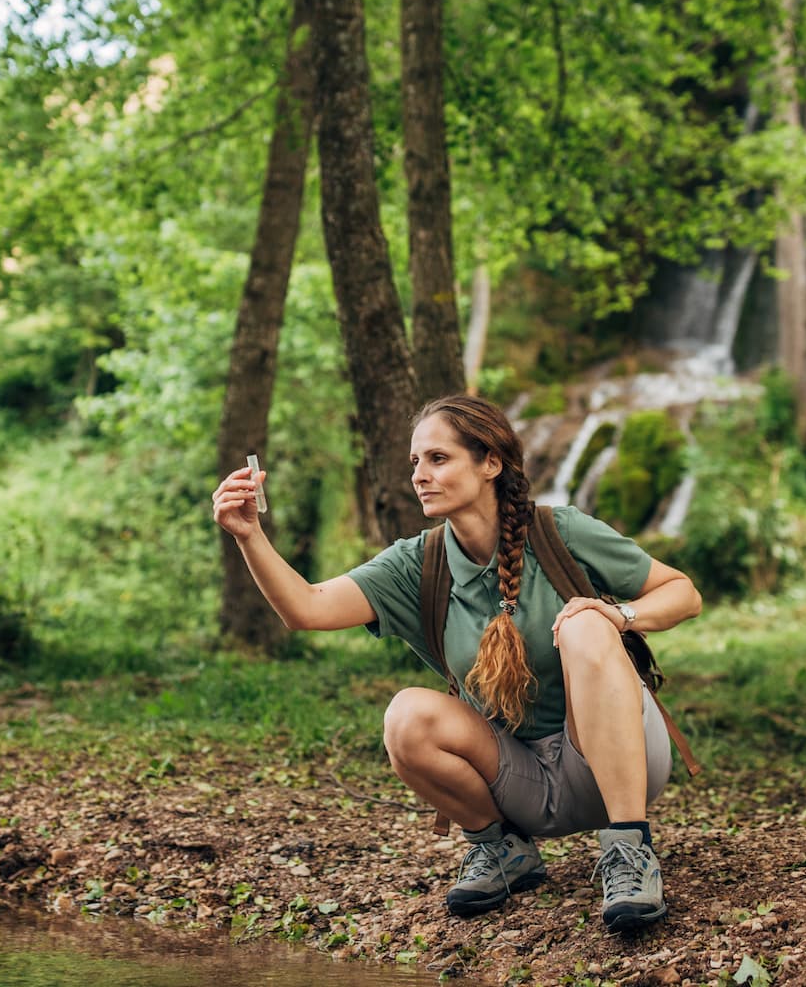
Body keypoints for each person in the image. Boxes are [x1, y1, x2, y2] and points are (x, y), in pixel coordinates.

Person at [211, 395, 703, 931]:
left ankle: (631, 849)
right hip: (521, 781)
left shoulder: (559, 531)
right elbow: (306, 608)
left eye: (438, 459)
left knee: (586, 624)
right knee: (406, 716)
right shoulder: (416, 564)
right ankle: (502, 850)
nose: (420, 475)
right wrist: (250, 536)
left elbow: (682, 592)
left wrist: (618, 614)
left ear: (490, 462)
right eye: (415, 462)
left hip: (621, 762)